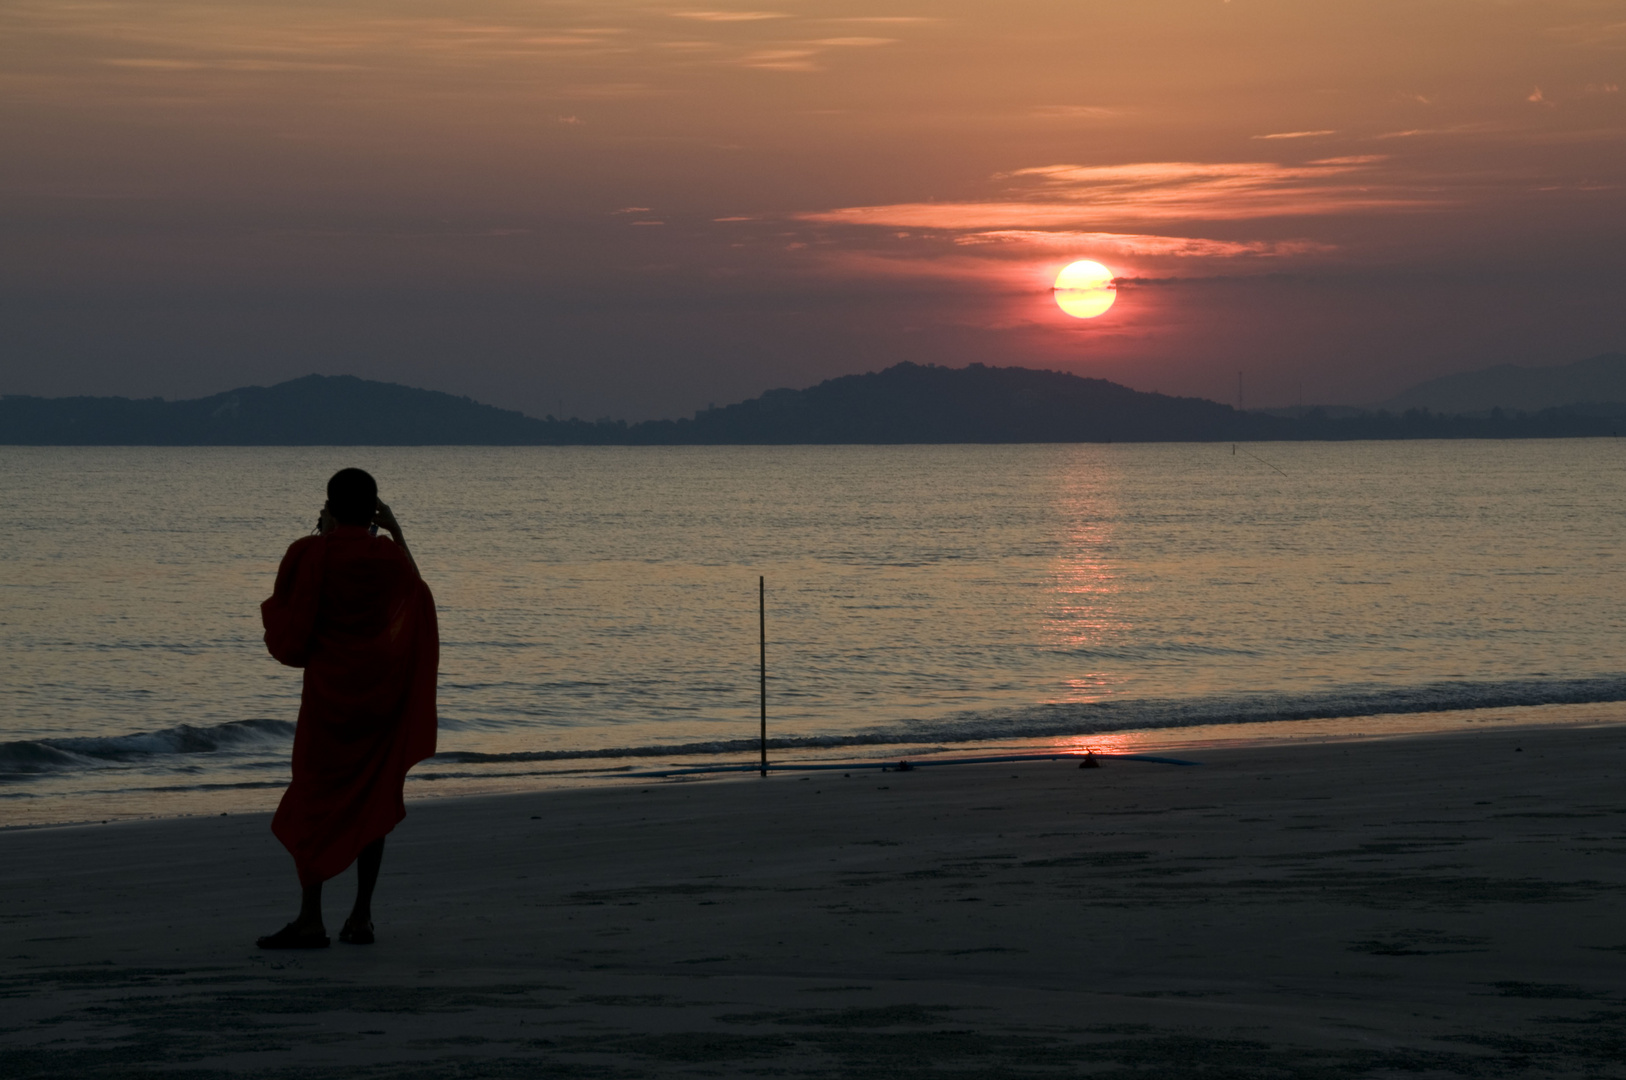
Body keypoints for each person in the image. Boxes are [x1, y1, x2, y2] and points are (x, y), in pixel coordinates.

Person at [256, 468, 439, 949]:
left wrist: (323, 536)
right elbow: (417, 599)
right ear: (375, 508)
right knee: (372, 796)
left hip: (328, 698)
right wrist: (396, 532)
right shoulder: (386, 556)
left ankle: (310, 918)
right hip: (378, 698)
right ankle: (361, 917)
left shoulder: (310, 552)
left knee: (314, 797)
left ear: (331, 508)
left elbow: (287, 625)